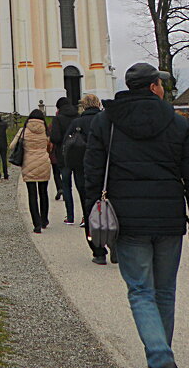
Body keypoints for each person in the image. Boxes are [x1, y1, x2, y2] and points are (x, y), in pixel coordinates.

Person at [84, 62, 189, 368]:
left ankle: (159, 355)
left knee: (140, 290)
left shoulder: (105, 122)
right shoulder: (177, 122)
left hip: (127, 220)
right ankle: (161, 354)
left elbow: (93, 173)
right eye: (160, 82)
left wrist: (92, 217)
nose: (163, 87)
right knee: (165, 291)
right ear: (153, 87)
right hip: (169, 218)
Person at [63, 93, 112, 263]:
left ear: (83, 105)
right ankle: (115, 244)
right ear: (98, 104)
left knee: (89, 210)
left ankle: (98, 251)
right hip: (107, 172)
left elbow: (66, 146)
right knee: (111, 208)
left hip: (82, 172)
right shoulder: (107, 121)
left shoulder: (76, 123)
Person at [10, 109, 53, 233]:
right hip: (44, 162)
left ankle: (37, 224)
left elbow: (12, 146)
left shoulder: (23, 130)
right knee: (43, 193)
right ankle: (44, 220)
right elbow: (49, 146)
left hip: (28, 163)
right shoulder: (46, 130)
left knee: (32, 195)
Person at [50, 95, 80, 222]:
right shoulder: (78, 117)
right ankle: (85, 217)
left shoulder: (58, 119)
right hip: (78, 155)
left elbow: (55, 138)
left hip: (63, 156)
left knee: (66, 186)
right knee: (81, 187)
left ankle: (70, 217)